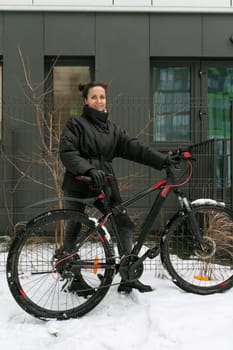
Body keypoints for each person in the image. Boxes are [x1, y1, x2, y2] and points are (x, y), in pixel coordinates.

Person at [59, 82, 170, 294]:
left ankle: (128, 276)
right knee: (74, 227)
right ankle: (72, 277)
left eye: (102, 97)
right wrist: (89, 169)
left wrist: (162, 160)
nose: (99, 101)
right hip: (79, 183)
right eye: (94, 97)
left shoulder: (112, 129)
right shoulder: (76, 124)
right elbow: (67, 152)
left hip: (105, 183)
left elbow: (135, 148)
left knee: (123, 224)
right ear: (86, 100)